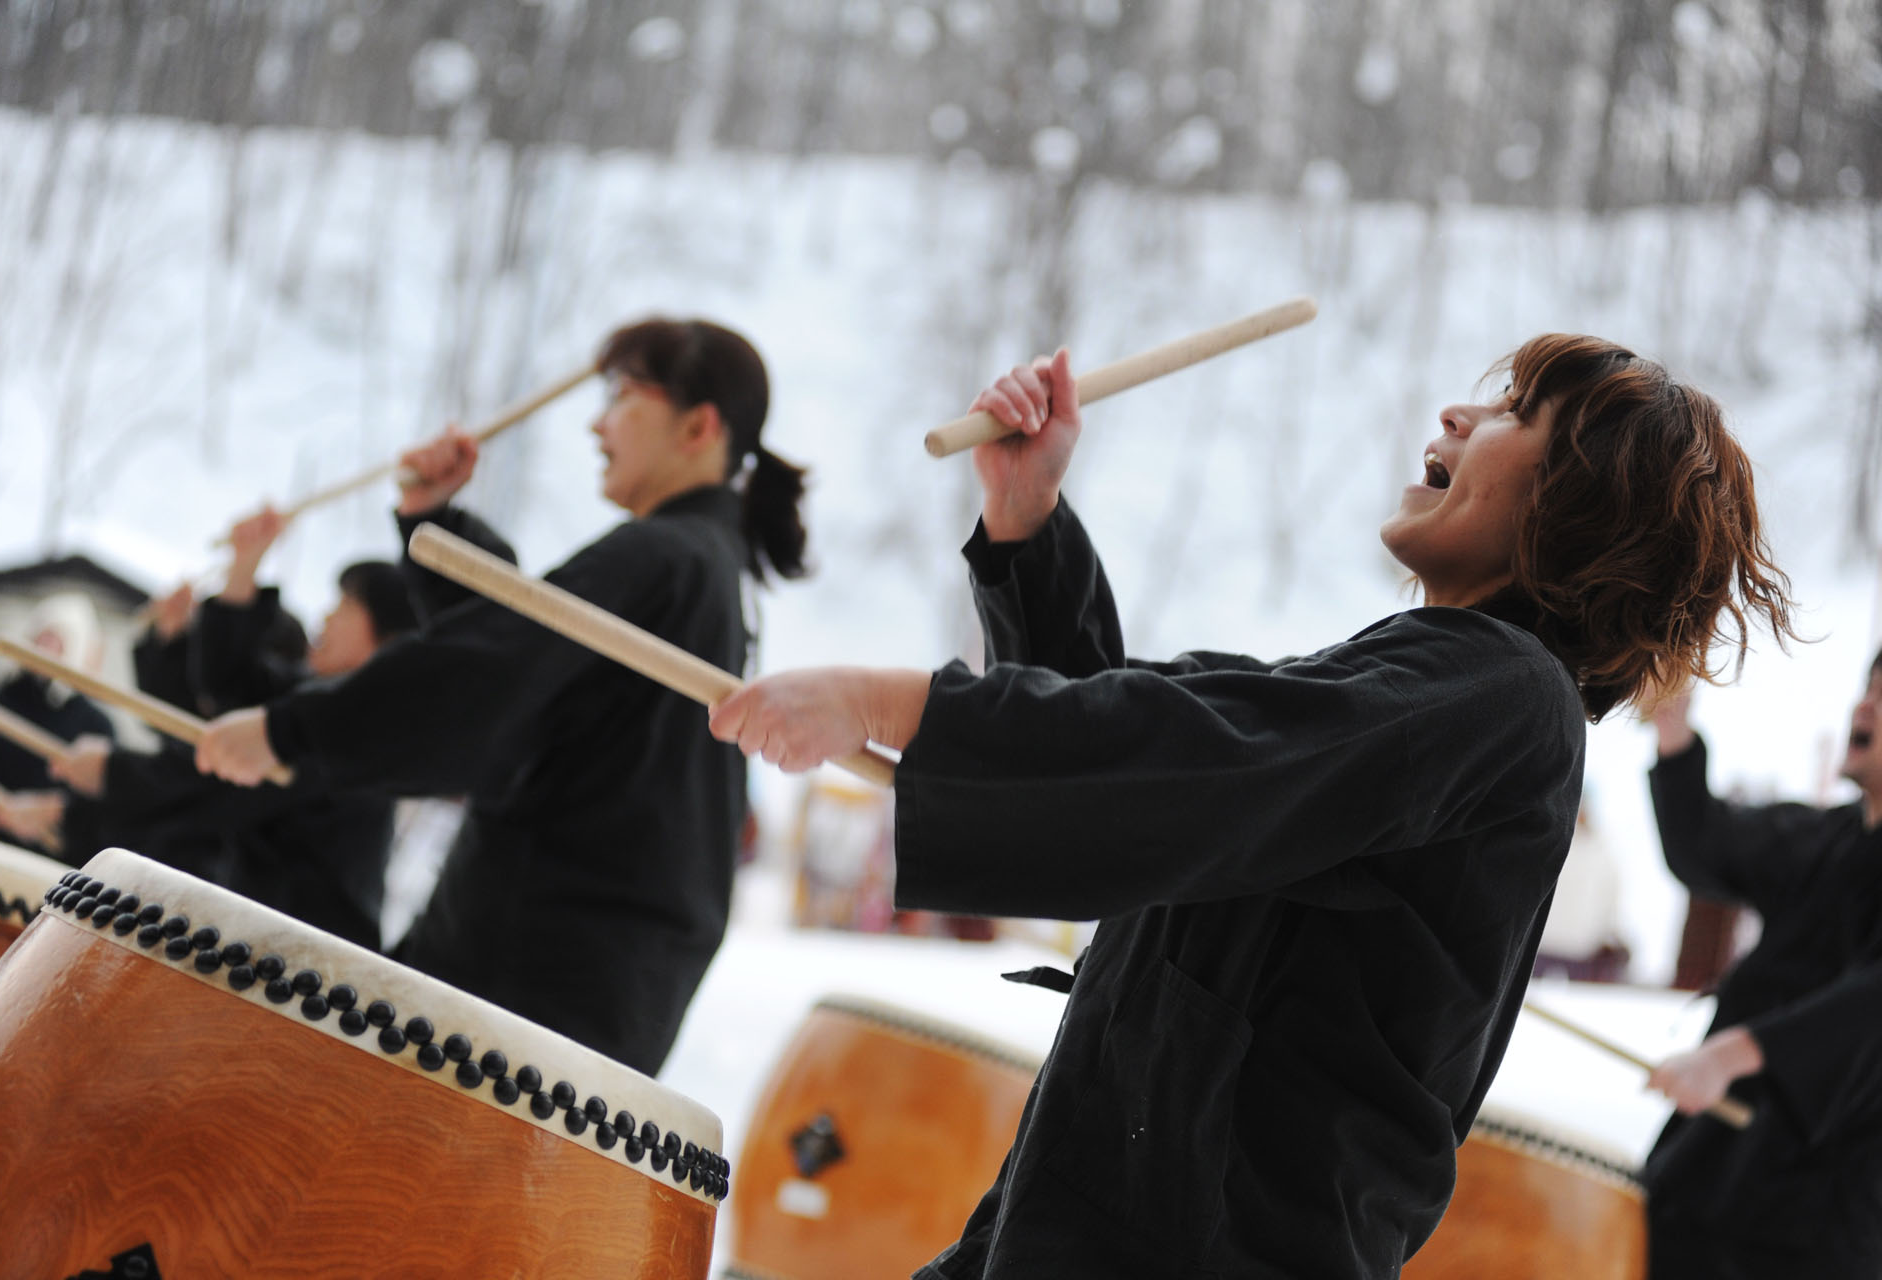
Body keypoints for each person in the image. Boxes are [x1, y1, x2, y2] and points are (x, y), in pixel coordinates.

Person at [707, 335, 1796, 1277]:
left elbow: (1202, 762)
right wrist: (1028, 525)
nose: (1458, 412)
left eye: (1516, 412)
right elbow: (1182, 773)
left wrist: (889, 699)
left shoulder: (1510, 698)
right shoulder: (1425, 690)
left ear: (1577, 509)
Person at [194, 318, 810, 1076]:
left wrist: (290, 734)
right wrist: (433, 521)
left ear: (699, 425)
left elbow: (494, 676)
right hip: (593, 998)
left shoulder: (665, 556)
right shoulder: (716, 575)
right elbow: (537, 660)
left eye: (620, 396)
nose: (596, 421)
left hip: (523, 989)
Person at [24, 508, 418, 948]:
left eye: (345, 606)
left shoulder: (356, 726)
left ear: (388, 641)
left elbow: (216, 783)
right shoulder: (316, 701)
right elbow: (226, 693)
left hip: (306, 950)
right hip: (259, 927)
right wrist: (241, 571)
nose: (326, 617)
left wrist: (107, 777)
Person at [1642, 670, 1882, 1278]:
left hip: (1820, 1219)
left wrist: (1735, 1053)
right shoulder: (1823, 837)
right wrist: (1672, 725)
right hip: (1710, 1178)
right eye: (1870, 686)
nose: (1866, 705)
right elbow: (1708, 843)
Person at [0, 593, 115, 853]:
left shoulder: (94, 726)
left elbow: (99, 810)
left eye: (58, 642)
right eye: (43, 637)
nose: (46, 650)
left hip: (45, 867)